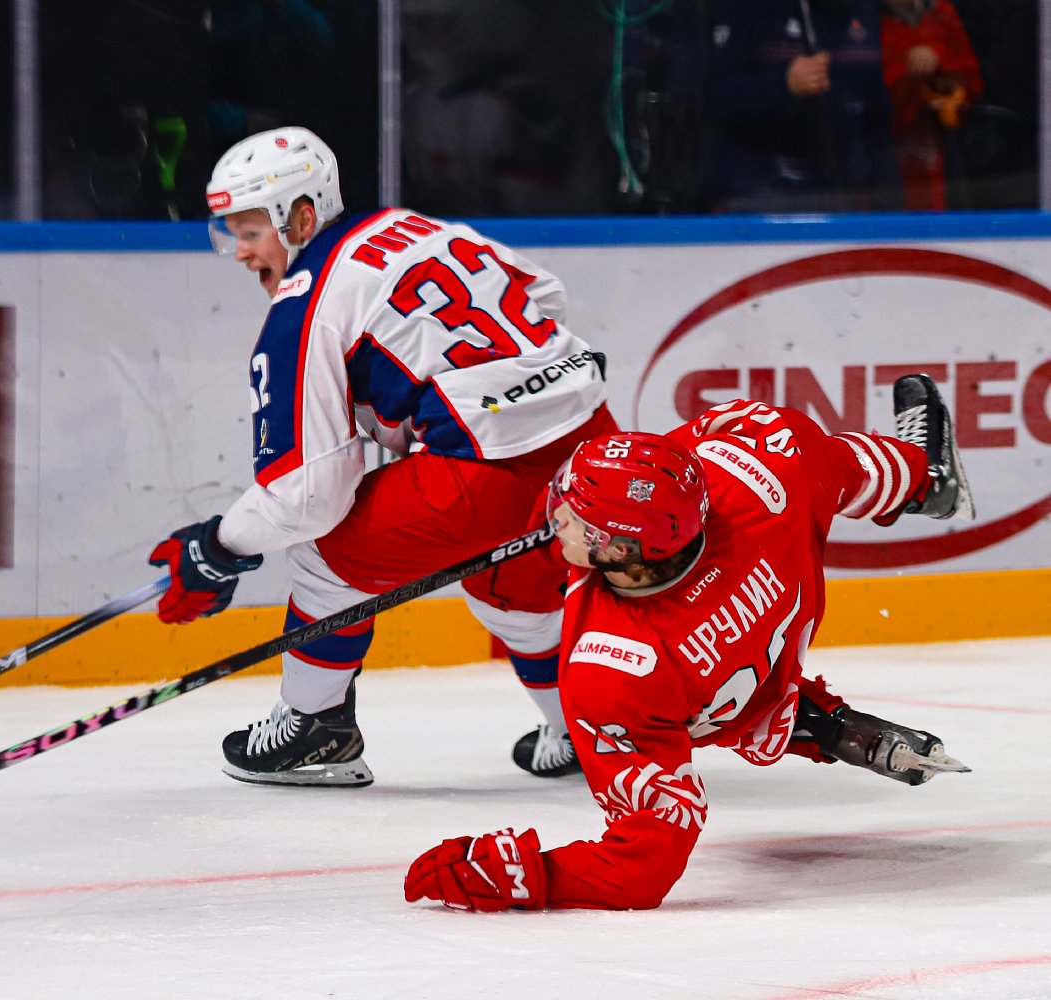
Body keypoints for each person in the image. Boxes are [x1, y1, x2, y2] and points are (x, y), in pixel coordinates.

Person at [146, 125, 617, 787]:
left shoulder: (306, 304)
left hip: (484, 472)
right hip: (593, 440)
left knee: (328, 551)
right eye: (231, 233)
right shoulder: (414, 227)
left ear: (300, 217)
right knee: (508, 586)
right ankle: (581, 730)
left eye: (250, 231)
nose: (240, 252)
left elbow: (307, 495)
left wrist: (218, 545)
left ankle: (315, 727)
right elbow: (546, 297)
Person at [404, 374, 974, 911]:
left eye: (578, 518)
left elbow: (642, 866)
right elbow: (846, 469)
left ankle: (813, 721)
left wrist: (528, 875)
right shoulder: (768, 468)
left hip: (693, 700)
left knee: (508, 603)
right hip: (748, 650)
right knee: (833, 461)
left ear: (620, 552)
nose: (560, 517)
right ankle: (928, 486)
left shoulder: (613, 667)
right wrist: (919, 476)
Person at [701, 0, 901, 212]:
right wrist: (784, 85)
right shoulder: (748, 8)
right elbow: (718, 95)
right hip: (760, 194)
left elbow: (876, 121)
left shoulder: (862, 10)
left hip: (844, 194)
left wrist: (888, 202)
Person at [879, 0, 983, 210]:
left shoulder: (941, 11)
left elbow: (971, 76)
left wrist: (940, 58)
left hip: (944, 145)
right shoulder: (866, 16)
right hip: (884, 148)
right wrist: (907, 71)